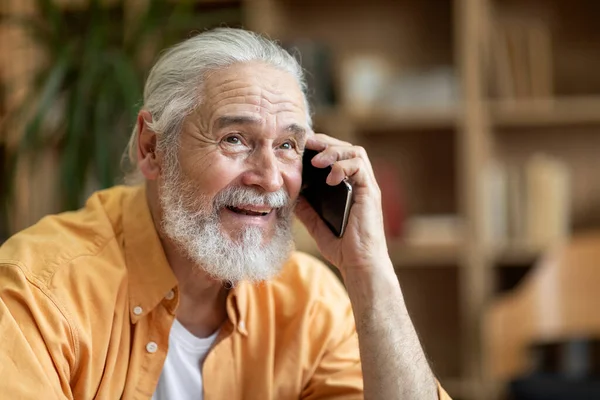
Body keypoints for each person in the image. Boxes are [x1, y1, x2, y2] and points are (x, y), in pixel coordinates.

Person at [0, 28, 451, 399]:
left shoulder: (310, 303)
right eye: (235, 139)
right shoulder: (38, 294)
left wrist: (370, 271)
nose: (271, 179)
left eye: (288, 146)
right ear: (152, 148)